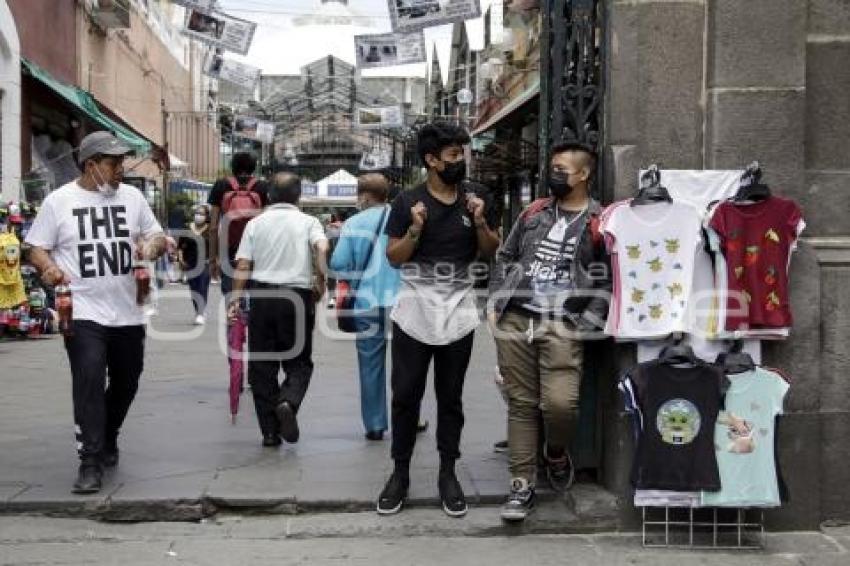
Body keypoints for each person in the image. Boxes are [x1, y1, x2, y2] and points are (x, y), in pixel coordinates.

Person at [24, 131, 167, 494]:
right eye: (113, 163)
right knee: (88, 379)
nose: (121, 169)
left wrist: (150, 248)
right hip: (83, 309)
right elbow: (36, 247)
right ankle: (90, 461)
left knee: (127, 381)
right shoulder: (59, 202)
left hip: (128, 310)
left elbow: (157, 236)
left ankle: (108, 434)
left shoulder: (133, 198)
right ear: (92, 165)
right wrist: (49, 269)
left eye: (121, 162)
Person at [377, 122, 500, 518]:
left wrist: (480, 221)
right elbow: (394, 257)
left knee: (451, 397)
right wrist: (415, 229)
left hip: (460, 305)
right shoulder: (406, 201)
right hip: (414, 305)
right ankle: (400, 473)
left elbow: (489, 252)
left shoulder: (478, 196)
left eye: (463, 154)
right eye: (453, 155)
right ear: (431, 160)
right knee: (406, 395)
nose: (461, 161)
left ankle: (448, 473)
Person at [487, 142, 611, 522]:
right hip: (517, 319)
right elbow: (505, 256)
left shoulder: (601, 221)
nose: (552, 175)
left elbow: (610, 280)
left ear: (584, 174)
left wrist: (583, 324)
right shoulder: (534, 212)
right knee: (521, 404)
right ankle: (521, 486)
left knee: (560, 405)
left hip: (563, 324)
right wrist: (497, 302)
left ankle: (555, 452)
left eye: (561, 169)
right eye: (551, 168)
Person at [228, 173, 329, 447]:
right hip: (296, 296)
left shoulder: (255, 224)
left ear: (269, 196)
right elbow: (323, 246)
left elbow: (243, 266)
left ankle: (270, 433)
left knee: (262, 367)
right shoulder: (309, 222)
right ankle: (288, 401)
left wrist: (235, 298)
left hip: (261, 296)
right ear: (298, 196)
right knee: (299, 362)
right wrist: (320, 280)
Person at [329, 173, 400, 441]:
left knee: (370, 365)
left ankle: (375, 424)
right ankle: (408, 417)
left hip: (366, 304)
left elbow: (337, 263)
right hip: (403, 303)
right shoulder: (403, 218)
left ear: (366, 197)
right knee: (407, 365)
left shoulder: (354, 223)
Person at [208, 153, 269, 403]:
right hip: (256, 259)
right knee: (258, 313)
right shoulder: (262, 188)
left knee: (233, 310)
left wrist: (212, 258)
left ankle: (236, 372)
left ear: (232, 168)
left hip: (228, 258)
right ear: (254, 168)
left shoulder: (222, 187)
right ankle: (256, 374)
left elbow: (213, 226)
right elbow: (265, 225)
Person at [178, 204, 212, 325]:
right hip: (190, 264)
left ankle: (200, 313)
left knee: (202, 287)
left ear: (207, 216)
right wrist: (181, 259)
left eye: (202, 214)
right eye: (197, 213)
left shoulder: (211, 229)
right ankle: (198, 311)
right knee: (194, 289)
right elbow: (180, 247)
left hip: (205, 263)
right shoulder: (187, 228)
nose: (198, 216)